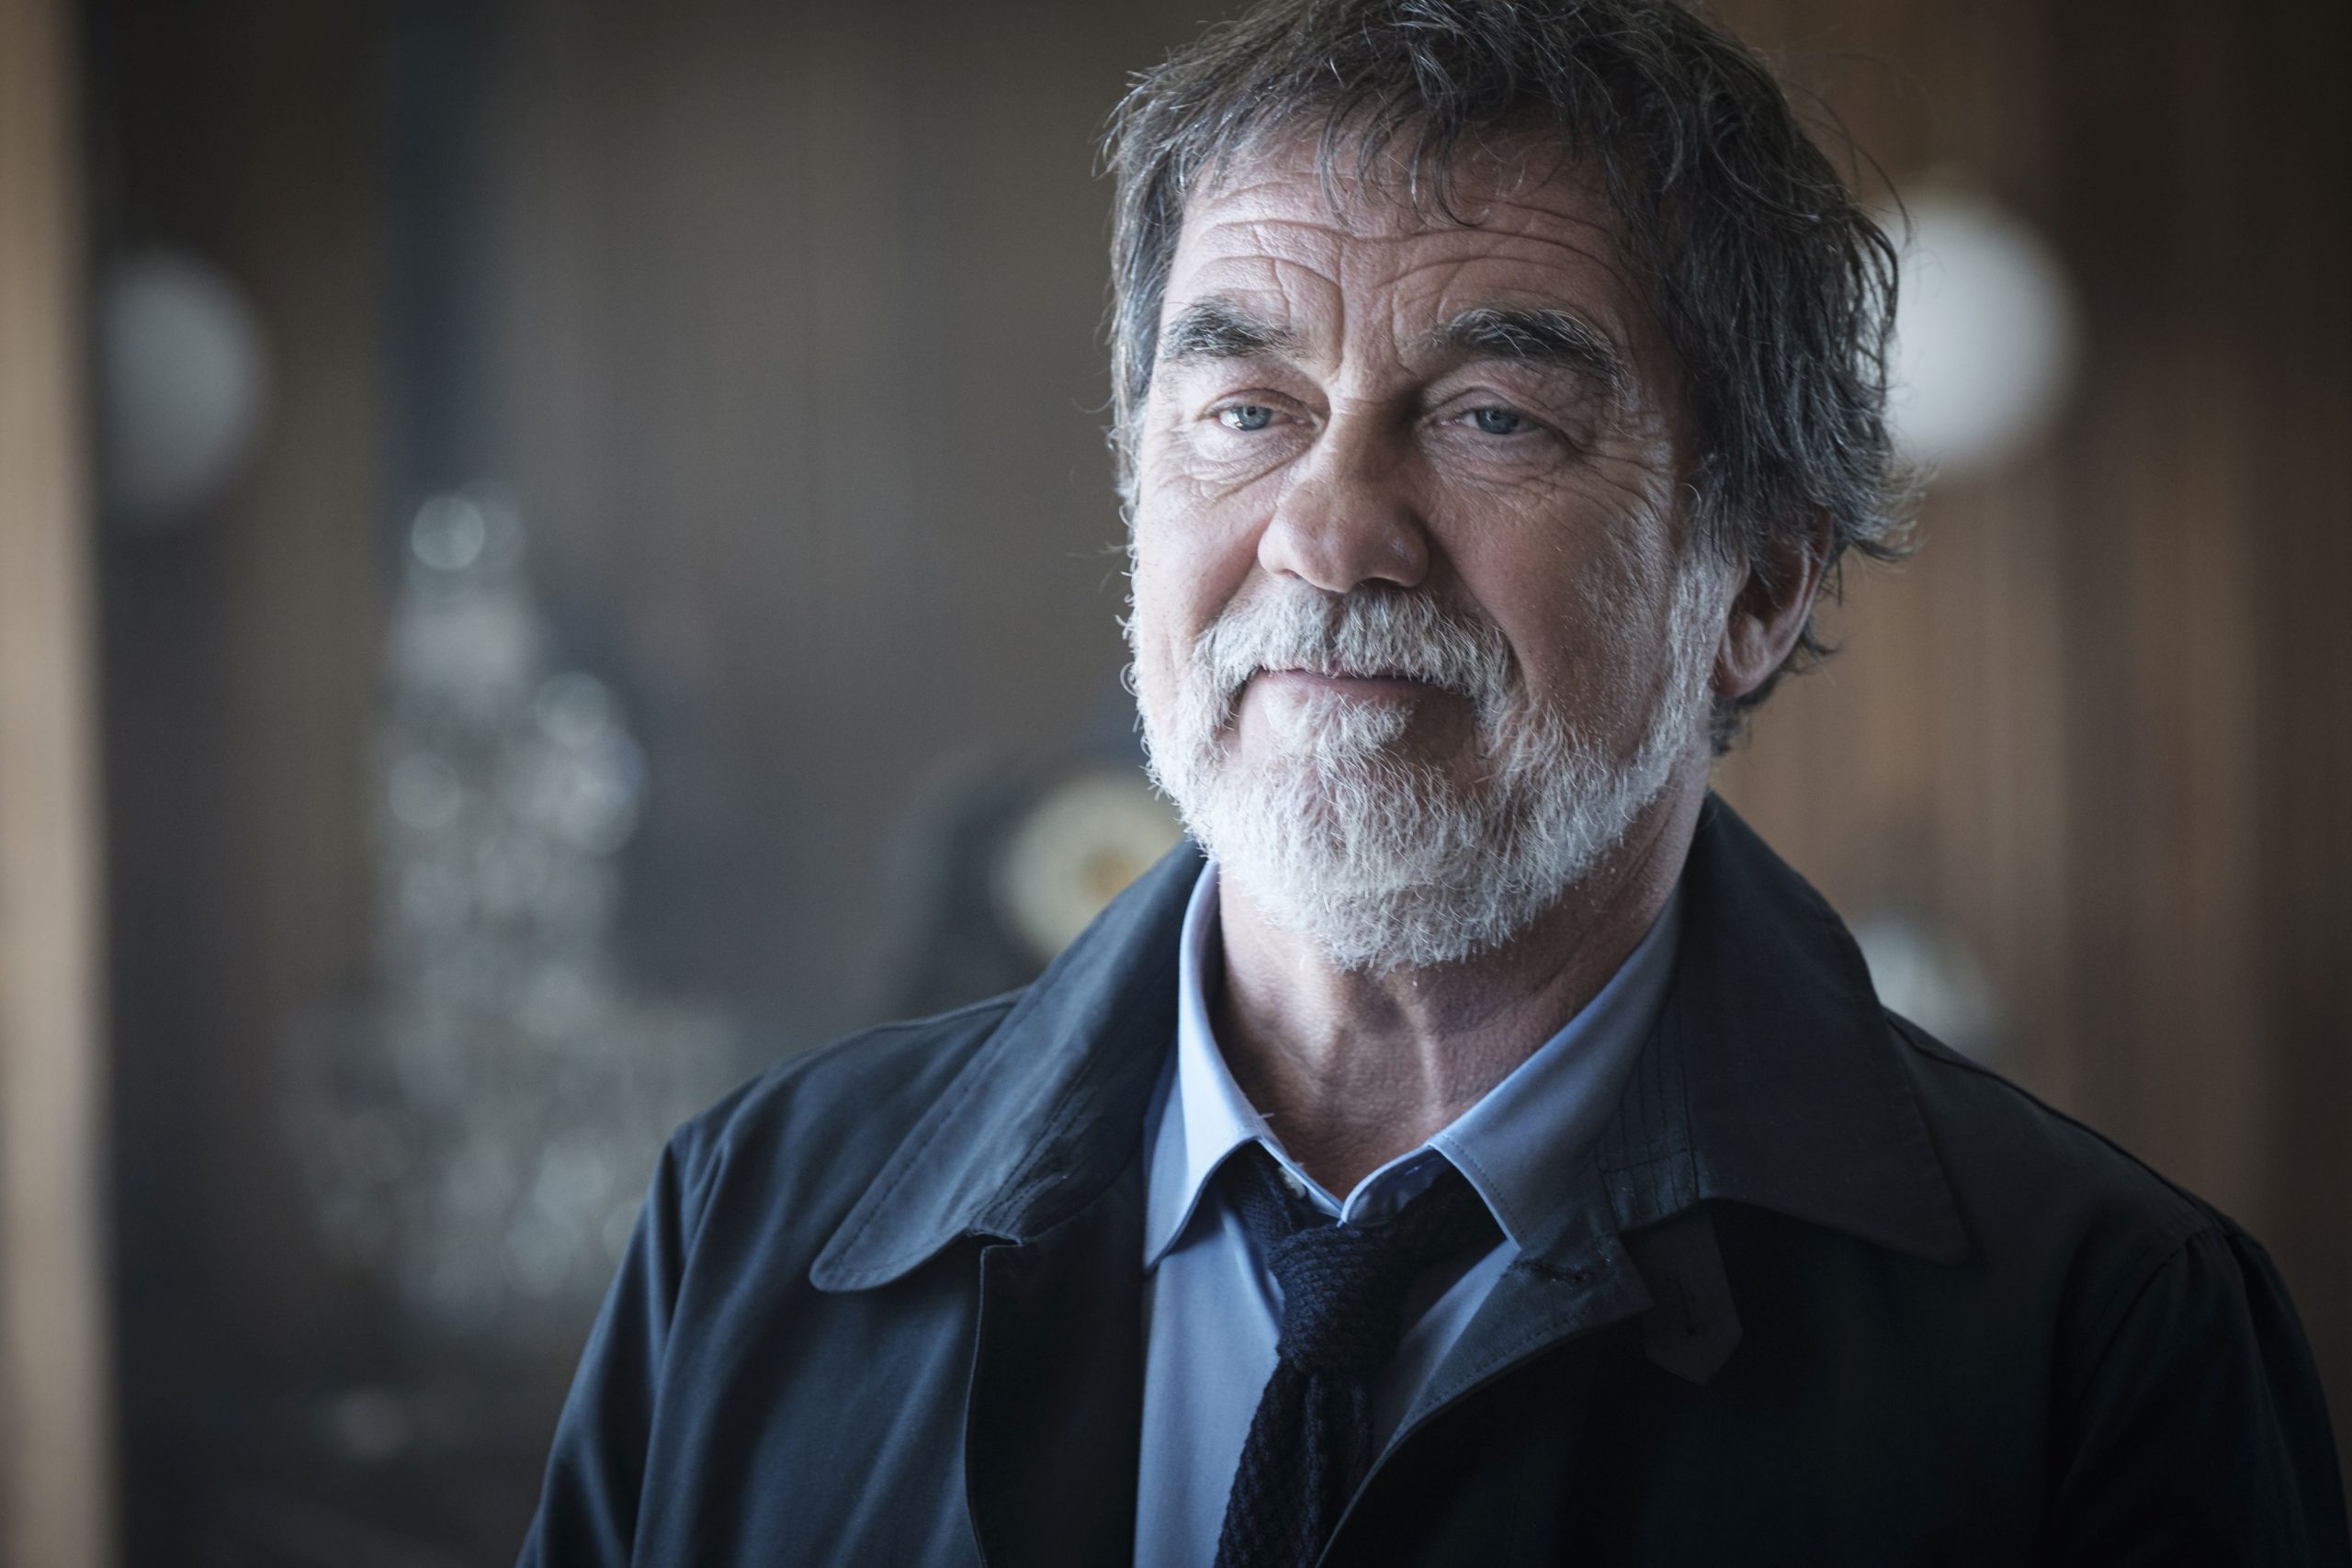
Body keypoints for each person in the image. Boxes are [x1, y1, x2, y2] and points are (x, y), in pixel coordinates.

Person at [517, 0, 2349, 1562]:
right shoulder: (744, 1229)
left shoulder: (2101, 1337)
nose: (1325, 533)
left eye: (1490, 418)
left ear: (1757, 584)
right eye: (1244, 411)